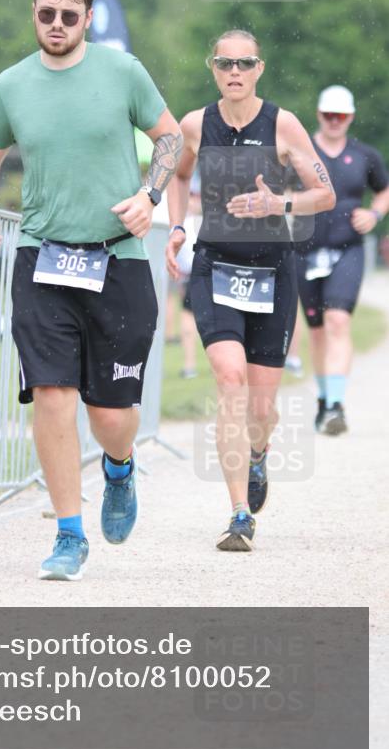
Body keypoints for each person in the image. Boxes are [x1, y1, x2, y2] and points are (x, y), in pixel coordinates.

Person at [0, 0, 182, 580]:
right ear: (33, 13)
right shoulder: (10, 86)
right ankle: (68, 533)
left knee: (110, 416)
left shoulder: (123, 72)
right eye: (46, 14)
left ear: (87, 17)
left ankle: (118, 466)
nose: (56, 24)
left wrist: (149, 197)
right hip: (42, 257)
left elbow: (170, 139)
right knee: (52, 394)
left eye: (68, 15)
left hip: (117, 259)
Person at [166, 30, 336, 552]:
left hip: (272, 271)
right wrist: (178, 226)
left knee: (261, 409)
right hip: (215, 265)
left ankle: (258, 453)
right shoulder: (194, 124)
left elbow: (324, 194)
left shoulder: (283, 124)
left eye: (244, 63)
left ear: (259, 68)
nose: (234, 71)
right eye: (225, 63)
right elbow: (177, 175)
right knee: (230, 380)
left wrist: (277, 205)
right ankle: (239, 514)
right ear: (213, 68)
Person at [293, 85, 389, 435]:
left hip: (348, 249)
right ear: (319, 115)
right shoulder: (300, 153)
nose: (334, 121)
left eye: (341, 116)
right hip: (303, 250)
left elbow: (384, 190)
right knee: (317, 331)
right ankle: (323, 399)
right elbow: (279, 191)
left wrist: (374, 214)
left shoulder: (365, 155)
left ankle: (336, 404)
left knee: (338, 321)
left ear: (350, 117)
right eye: (329, 114)